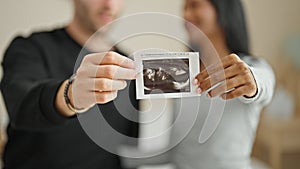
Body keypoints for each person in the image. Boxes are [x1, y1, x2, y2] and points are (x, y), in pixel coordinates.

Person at [0, 0, 139, 169]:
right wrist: (71, 95)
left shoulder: (130, 67)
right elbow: (22, 104)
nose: (109, 5)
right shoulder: (32, 48)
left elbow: (127, 149)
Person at [170, 0, 275, 169]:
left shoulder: (252, 68)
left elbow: (265, 83)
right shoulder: (182, 73)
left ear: (223, 9)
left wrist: (253, 80)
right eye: (185, 8)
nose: (186, 15)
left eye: (195, 5)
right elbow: (177, 150)